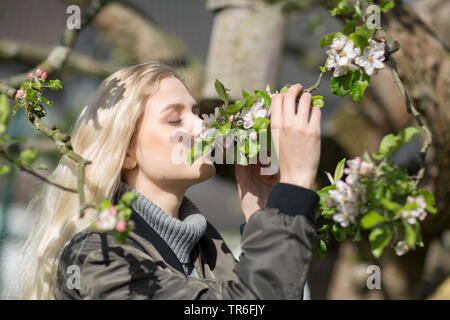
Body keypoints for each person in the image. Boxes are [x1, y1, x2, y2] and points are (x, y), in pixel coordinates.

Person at [18, 61, 321, 300]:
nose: (202, 127)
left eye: (197, 113)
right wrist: (293, 189)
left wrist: (264, 216)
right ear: (125, 152)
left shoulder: (207, 248)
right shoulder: (99, 257)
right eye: (175, 120)